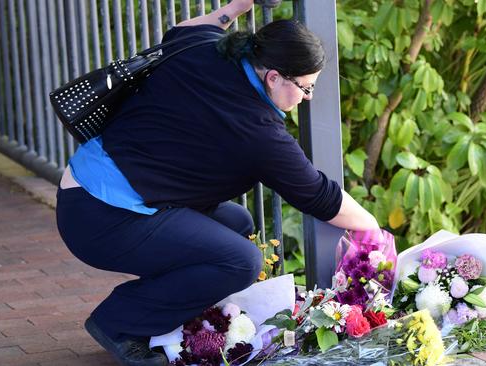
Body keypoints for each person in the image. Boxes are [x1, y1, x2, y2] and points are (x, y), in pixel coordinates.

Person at [55, 1, 378, 365]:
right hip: (102, 218)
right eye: (305, 88)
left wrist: (241, 5)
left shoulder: (208, 47)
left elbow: (186, 26)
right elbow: (320, 196)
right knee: (240, 261)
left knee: (236, 224)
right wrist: (374, 231)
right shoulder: (257, 131)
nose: (309, 97)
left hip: (85, 189)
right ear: (273, 77)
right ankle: (118, 323)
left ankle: (178, 313)